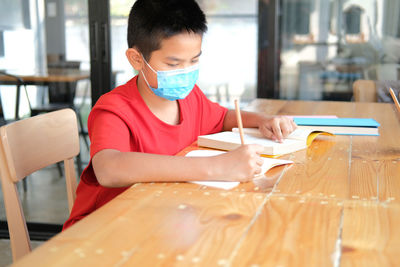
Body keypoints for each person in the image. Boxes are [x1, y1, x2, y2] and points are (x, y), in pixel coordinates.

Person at [63, 0, 296, 230]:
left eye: (194, 60)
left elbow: (223, 118)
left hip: (161, 219)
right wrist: (217, 167)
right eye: (173, 64)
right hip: (103, 230)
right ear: (137, 59)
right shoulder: (114, 109)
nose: (186, 72)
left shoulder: (190, 96)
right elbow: (109, 169)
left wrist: (263, 121)